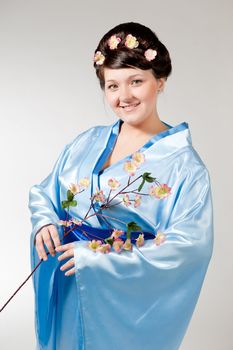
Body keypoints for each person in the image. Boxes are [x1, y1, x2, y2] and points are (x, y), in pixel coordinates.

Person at [29, 22, 214, 350]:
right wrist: (44, 221)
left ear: (160, 81)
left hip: (118, 295)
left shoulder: (185, 165)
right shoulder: (88, 141)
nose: (124, 96)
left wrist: (102, 259)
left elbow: (189, 247)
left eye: (136, 81)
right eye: (112, 86)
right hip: (69, 274)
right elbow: (46, 192)